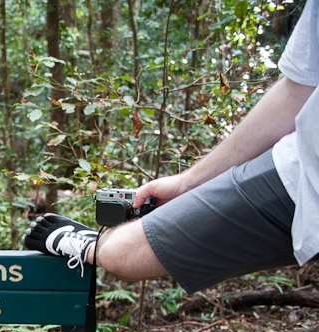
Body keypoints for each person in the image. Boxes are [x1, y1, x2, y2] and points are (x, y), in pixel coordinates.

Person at [23, 0, 319, 295]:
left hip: (302, 184)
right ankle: (96, 244)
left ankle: (90, 245)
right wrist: (188, 182)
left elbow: (297, 91)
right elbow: (298, 90)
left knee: (120, 252)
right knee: (122, 252)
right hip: (303, 180)